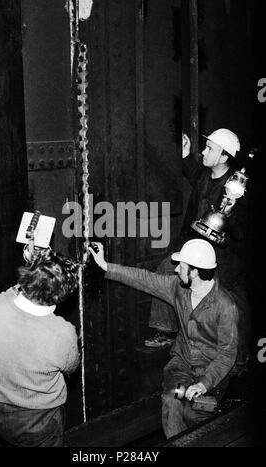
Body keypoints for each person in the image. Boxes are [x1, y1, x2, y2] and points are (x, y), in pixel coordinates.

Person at [89, 239, 238, 439]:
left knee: (195, 413)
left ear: (195, 272)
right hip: (182, 368)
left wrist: (203, 384)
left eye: (182, 267)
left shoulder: (225, 306)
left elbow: (227, 355)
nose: (176, 271)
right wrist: (106, 266)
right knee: (172, 398)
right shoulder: (178, 288)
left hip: (211, 374)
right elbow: (144, 278)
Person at [146, 129, 250, 368]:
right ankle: (165, 330)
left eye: (210, 149)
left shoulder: (236, 188)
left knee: (233, 302)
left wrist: (231, 217)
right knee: (166, 267)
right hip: (197, 247)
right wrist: (185, 156)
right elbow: (196, 175)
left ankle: (238, 357)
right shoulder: (207, 173)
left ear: (224, 157)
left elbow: (241, 232)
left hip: (224, 256)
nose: (204, 151)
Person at [0, 248, 80, 447]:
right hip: (39, 420)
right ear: (62, 295)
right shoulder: (62, 333)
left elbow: (7, 296)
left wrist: (34, 272)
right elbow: (71, 367)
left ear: (26, 277)